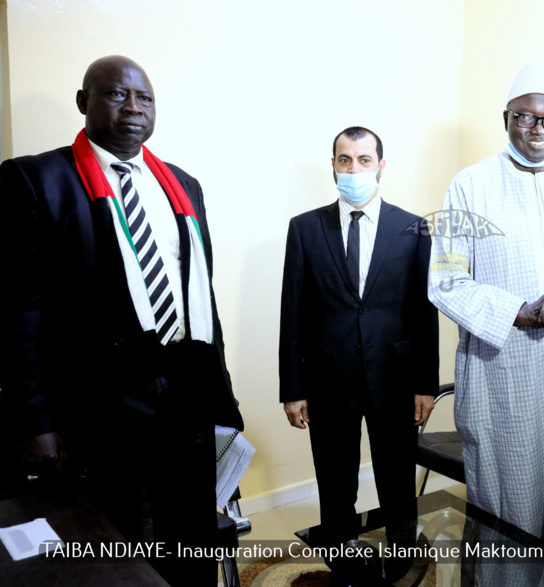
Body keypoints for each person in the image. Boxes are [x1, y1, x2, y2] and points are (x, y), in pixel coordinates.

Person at [0, 55, 243, 585]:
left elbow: (201, 299)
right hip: (99, 402)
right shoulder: (37, 179)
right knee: (112, 547)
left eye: (145, 98)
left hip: (186, 397)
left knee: (190, 541)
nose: (133, 107)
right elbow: (18, 314)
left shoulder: (184, 185)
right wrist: (34, 421)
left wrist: (221, 397)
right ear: (85, 102)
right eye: (116, 94)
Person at [428, 63, 544, 543]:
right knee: (506, 506)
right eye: (525, 117)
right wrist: (520, 311)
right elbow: (446, 280)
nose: (538, 129)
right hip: (501, 373)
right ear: (506, 119)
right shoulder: (468, 185)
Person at [279, 126, 438, 584]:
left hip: (396, 377)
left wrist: (426, 383)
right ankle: (342, 565)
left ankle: (402, 561)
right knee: (335, 481)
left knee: (396, 480)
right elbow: (294, 312)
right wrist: (293, 388)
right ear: (333, 165)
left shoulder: (412, 228)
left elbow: (423, 312)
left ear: (381, 166)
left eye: (363, 160)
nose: (353, 169)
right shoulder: (305, 228)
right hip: (328, 378)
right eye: (344, 160)